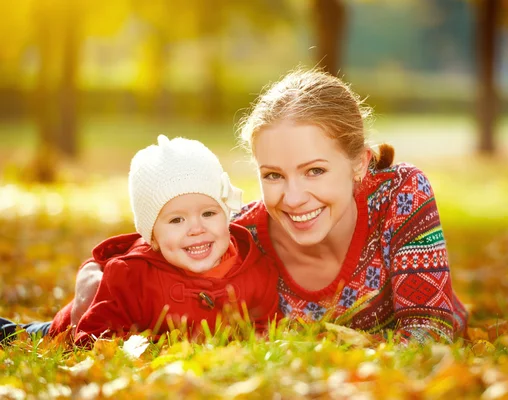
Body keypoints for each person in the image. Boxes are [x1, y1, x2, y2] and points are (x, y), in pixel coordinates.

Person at [2, 68, 468, 344]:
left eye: (315, 171)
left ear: (360, 165)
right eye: (273, 176)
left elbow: (428, 332)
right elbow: (154, 275)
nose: (294, 197)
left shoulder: (400, 195)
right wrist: (93, 277)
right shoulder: (243, 240)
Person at [1, 135, 279, 344]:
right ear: (153, 236)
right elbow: (93, 336)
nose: (196, 228)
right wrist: (153, 346)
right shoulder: (131, 276)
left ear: (227, 213)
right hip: (71, 324)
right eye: (176, 220)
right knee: (25, 334)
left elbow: (265, 325)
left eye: (208, 213)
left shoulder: (254, 268)